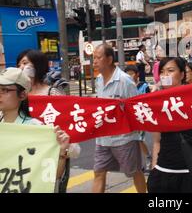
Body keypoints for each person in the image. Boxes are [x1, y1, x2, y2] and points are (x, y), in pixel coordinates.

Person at [16, 49, 79, 193]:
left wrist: (64, 150)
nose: (21, 68)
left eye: (25, 63)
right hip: (25, 155)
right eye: (19, 64)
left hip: (52, 156)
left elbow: (67, 122)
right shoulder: (17, 95)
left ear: (37, 66)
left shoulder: (53, 93)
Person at [0, 67, 70, 193]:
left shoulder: (36, 128)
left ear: (22, 95)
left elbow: (53, 174)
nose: (0, 94)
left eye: (5, 90)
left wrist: (61, 151)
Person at [92, 44, 146, 193]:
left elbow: (135, 108)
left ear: (109, 59)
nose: (94, 61)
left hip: (124, 139)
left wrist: (136, 134)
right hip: (102, 139)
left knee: (134, 172)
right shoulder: (99, 80)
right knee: (98, 172)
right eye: (93, 58)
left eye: (98, 57)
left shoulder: (125, 81)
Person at [148, 57, 192, 193]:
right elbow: (157, 141)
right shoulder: (157, 102)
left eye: (170, 71)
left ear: (182, 75)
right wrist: (154, 169)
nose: (165, 75)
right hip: (165, 170)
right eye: (162, 72)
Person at [124, 64, 152, 172]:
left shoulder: (144, 86)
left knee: (139, 139)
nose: (129, 76)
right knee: (132, 141)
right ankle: (138, 163)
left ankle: (148, 157)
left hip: (141, 117)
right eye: (127, 74)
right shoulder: (125, 87)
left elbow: (149, 101)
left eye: (131, 74)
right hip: (129, 118)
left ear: (137, 75)